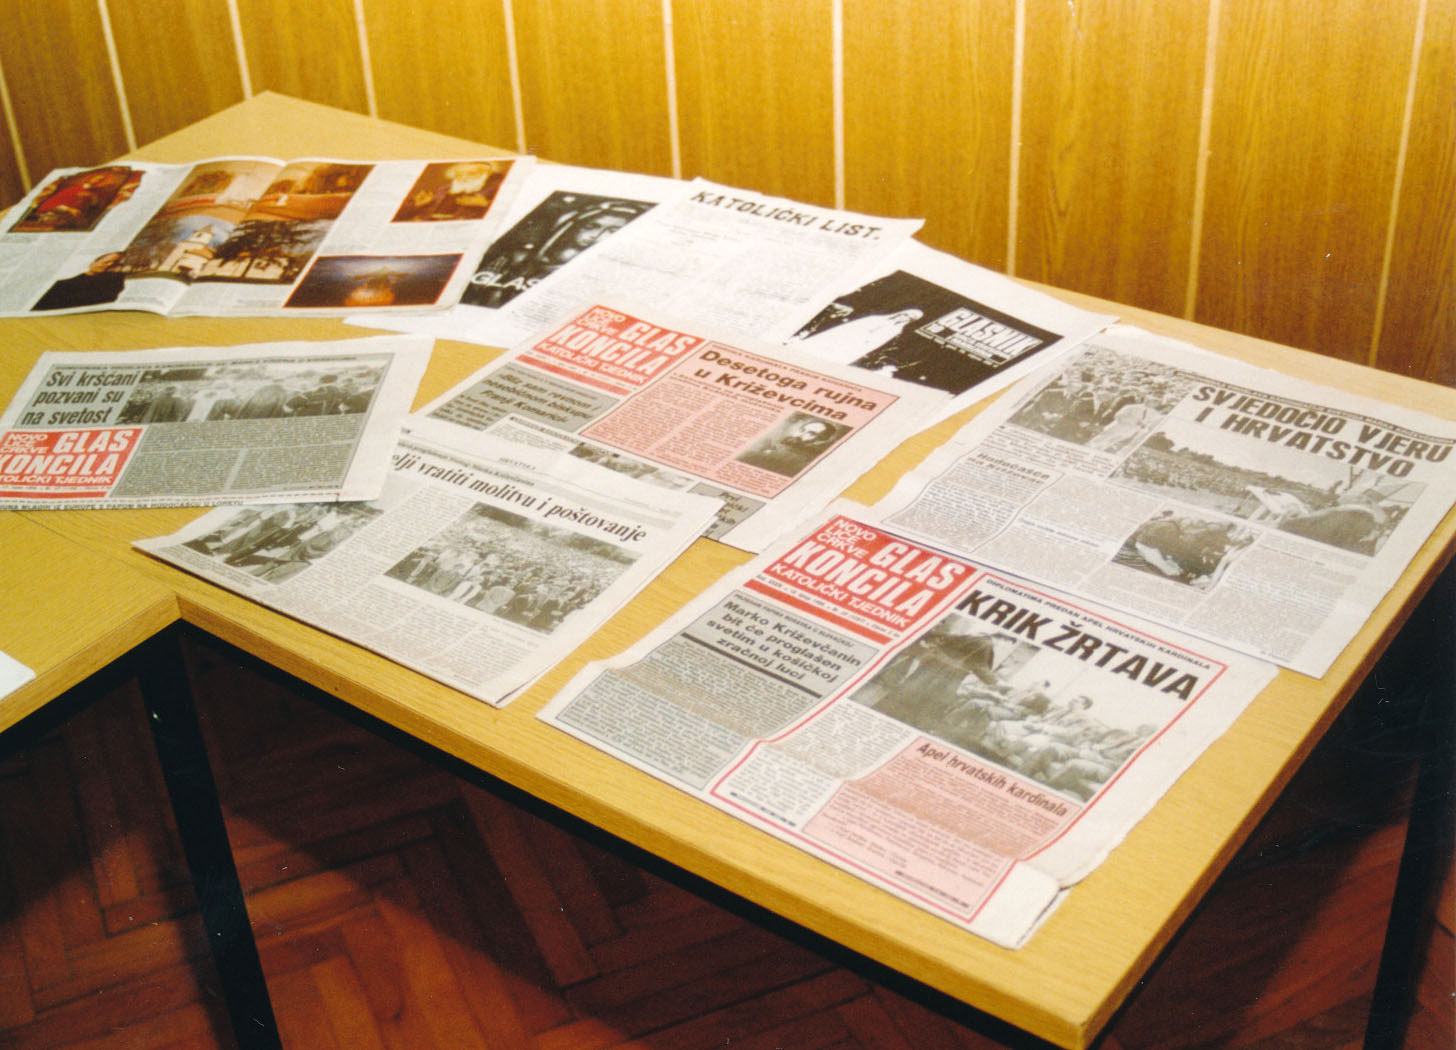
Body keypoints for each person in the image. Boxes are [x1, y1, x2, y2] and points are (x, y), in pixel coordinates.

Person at [737, 416, 842, 477]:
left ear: (820, 440)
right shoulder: (772, 443)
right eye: (802, 430)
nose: (800, 435)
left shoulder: (805, 461)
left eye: (811, 434)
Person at [31, 252, 127, 311]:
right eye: (106, 262)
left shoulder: (114, 282)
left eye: (114, 264)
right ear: (93, 262)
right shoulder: (63, 284)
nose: (108, 265)